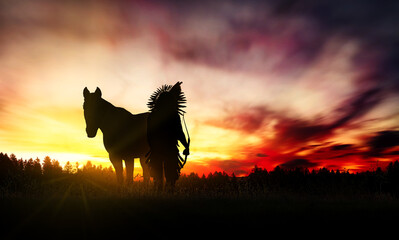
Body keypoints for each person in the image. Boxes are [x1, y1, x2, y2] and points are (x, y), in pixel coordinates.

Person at [146, 82, 190, 192]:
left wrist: (153, 147)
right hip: (169, 150)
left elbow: (149, 135)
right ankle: (168, 195)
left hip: (157, 151)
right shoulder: (174, 115)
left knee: (159, 179)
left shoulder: (153, 115)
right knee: (169, 178)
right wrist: (186, 146)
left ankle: (160, 197)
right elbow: (179, 133)